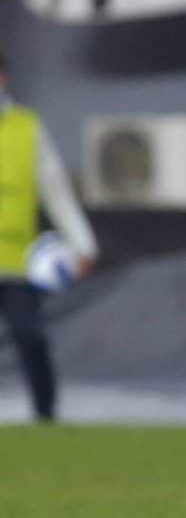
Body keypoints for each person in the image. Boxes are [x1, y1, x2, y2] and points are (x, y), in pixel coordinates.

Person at [0, 52, 98, 422]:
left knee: (30, 336)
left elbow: (55, 191)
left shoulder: (27, 128)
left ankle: (45, 413)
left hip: (16, 261)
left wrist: (83, 245)